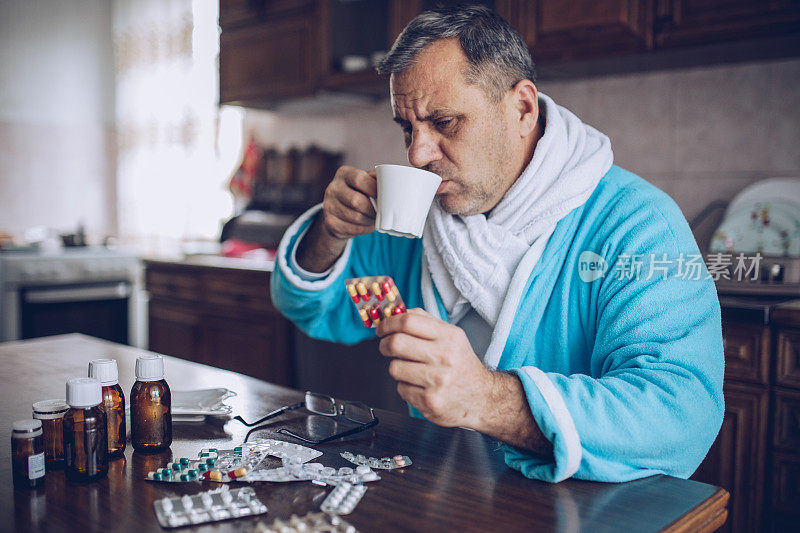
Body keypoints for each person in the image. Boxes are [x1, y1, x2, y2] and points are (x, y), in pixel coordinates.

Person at [271, 5, 724, 483]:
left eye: (443, 122)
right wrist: (330, 232)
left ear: (522, 108)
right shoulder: (417, 225)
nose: (417, 154)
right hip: (445, 497)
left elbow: (680, 414)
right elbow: (313, 305)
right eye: (408, 128)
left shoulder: (638, 226)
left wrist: (486, 399)